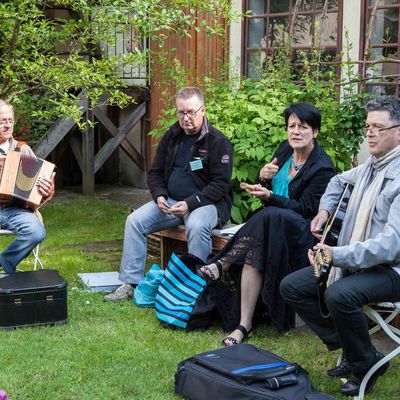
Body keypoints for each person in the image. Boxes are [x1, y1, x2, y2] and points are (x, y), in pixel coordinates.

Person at [280, 95, 400, 397]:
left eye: (378, 128)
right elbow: (335, 183)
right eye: (367, 126)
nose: (369, 133)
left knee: (339, 293)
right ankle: (356, 351)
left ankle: (364, 365)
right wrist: (324, 210)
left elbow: (391, 246)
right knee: (292, 286)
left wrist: (336, 254)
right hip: (360, 261)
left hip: (392, 269)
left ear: (398, 132)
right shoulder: (369, 168)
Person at [201, 102, 335, 344]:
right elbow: (262, 189)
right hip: (270, 227)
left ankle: (223, 262)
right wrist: (261, 177)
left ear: (315, 131)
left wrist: (272, 197)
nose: (295, 132)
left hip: (301, 234)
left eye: (303, 127)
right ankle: (244, 325)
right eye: (291, 126)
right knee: (256, 249)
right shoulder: (284, 150)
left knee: (271, 214)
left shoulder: (322, 167)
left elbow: (306, 209)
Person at [105, 87, 233, 302]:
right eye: (181, 113)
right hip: (171, 203)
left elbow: (221, 184)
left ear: (203, 110)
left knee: (197, 225)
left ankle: (195, 287)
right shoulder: (172, 137)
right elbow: (154, 173)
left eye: (191, 112)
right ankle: (131, 283)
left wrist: (190, 204)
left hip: (206, 205)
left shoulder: (218, 142)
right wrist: (160, 196)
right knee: (134, 221)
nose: (186, 118)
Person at [0, 99, 55, 273]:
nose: (7, 126)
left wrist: (46, 189)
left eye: (10, 121)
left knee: (36, 232)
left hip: (16, 209)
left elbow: (37, 185)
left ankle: (3, 263)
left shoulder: (23, 149)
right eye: (2, 121)